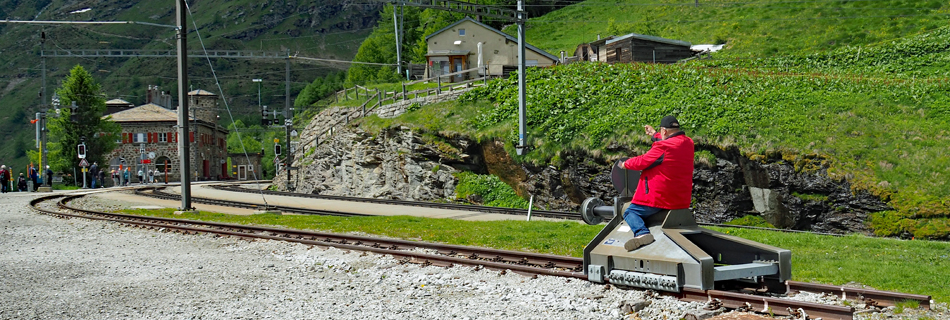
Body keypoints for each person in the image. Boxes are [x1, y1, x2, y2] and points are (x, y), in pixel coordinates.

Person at [617, 115, 694, 251]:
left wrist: (625, 164)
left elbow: (643, 161)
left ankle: (642, 233)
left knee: (630, 212)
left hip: (659, 198)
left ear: (664, 131)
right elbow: (672, 141)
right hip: (680, 200)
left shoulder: (662, 147)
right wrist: (654, 134)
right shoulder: (688, 143)